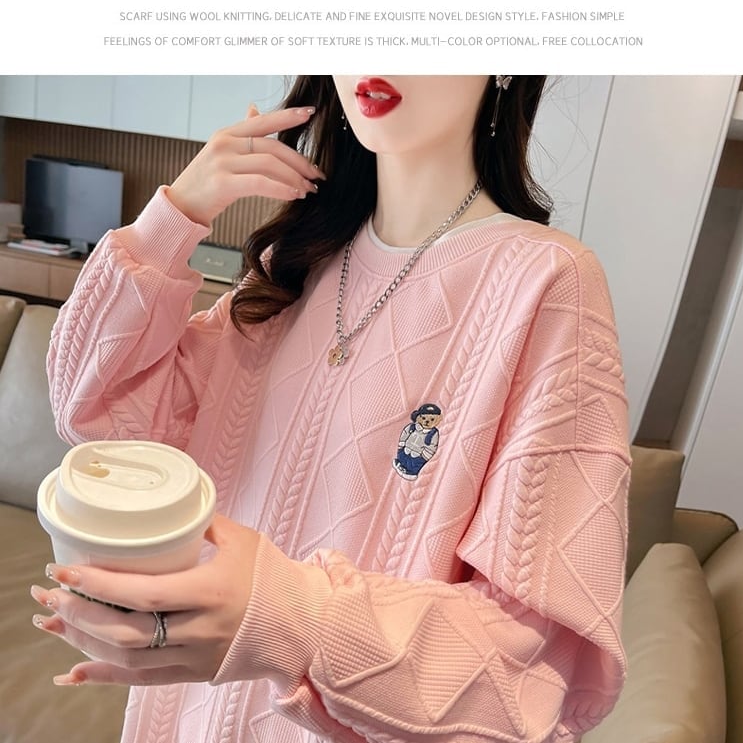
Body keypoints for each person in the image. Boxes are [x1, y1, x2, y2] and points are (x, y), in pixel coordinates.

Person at [31, 75, 631, 743]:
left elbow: (538, 676)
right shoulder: (296, 264)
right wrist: (176, 214)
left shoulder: (547, 284)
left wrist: (285, 615)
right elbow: (93, 408)